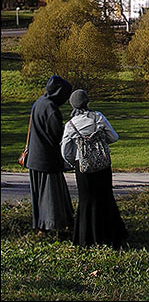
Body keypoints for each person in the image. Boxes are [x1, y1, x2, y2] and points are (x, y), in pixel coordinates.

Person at [61, 89, 127, 248]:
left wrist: (73, 161)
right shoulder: (98, 117)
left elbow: (65, 150)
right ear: (87, 102)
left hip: (82, 165)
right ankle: (111, 235)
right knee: (105, 196)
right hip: (102, 163)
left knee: (86, 199)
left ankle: (85, 237)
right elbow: (114, 136)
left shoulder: (71, 125)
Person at [26, 75, 74, 235]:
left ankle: (41, 226)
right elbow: (58, 135)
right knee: (51, 196)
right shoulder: (51, 109)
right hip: (47, 160)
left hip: (34, 158)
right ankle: (52, 225)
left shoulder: (39, 103)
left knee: (39, 196)